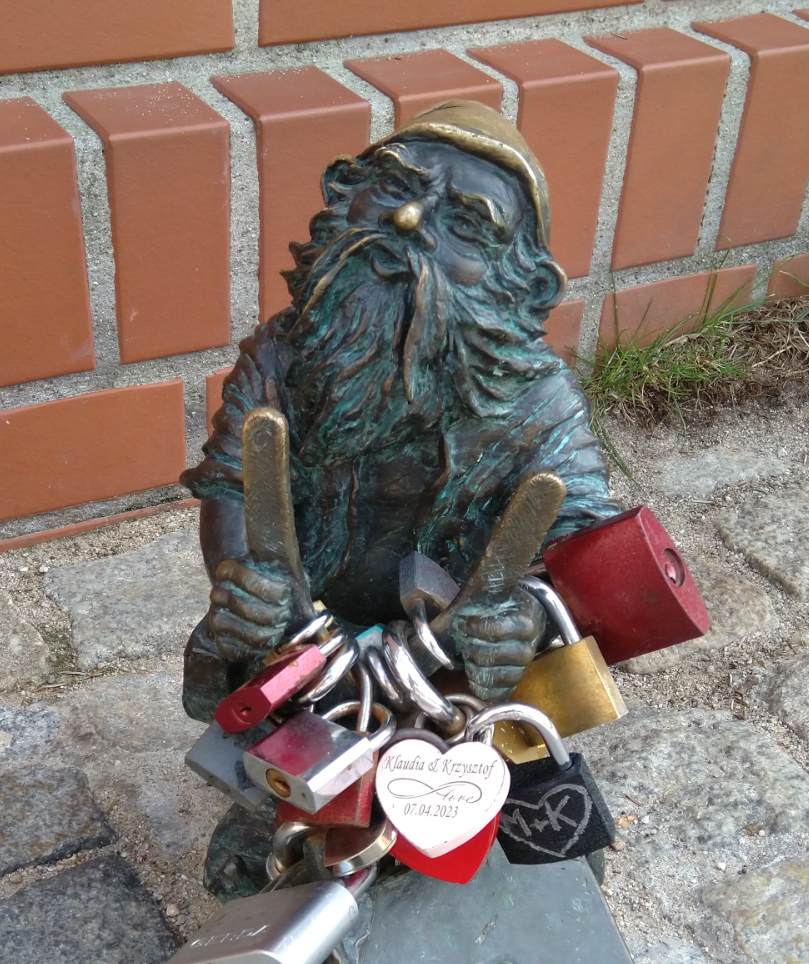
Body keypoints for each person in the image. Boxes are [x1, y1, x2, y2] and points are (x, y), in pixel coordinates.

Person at [184, 100, 620, 710]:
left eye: (464, 223)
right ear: (343, 195)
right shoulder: (282, 355)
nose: (409, 218)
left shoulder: (541, 404)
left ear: (524, 285)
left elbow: (586, 540)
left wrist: (526, 618)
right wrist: (246, 580)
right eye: (395, 186)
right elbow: (233, 485)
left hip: (449, 669)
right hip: (306, 645)